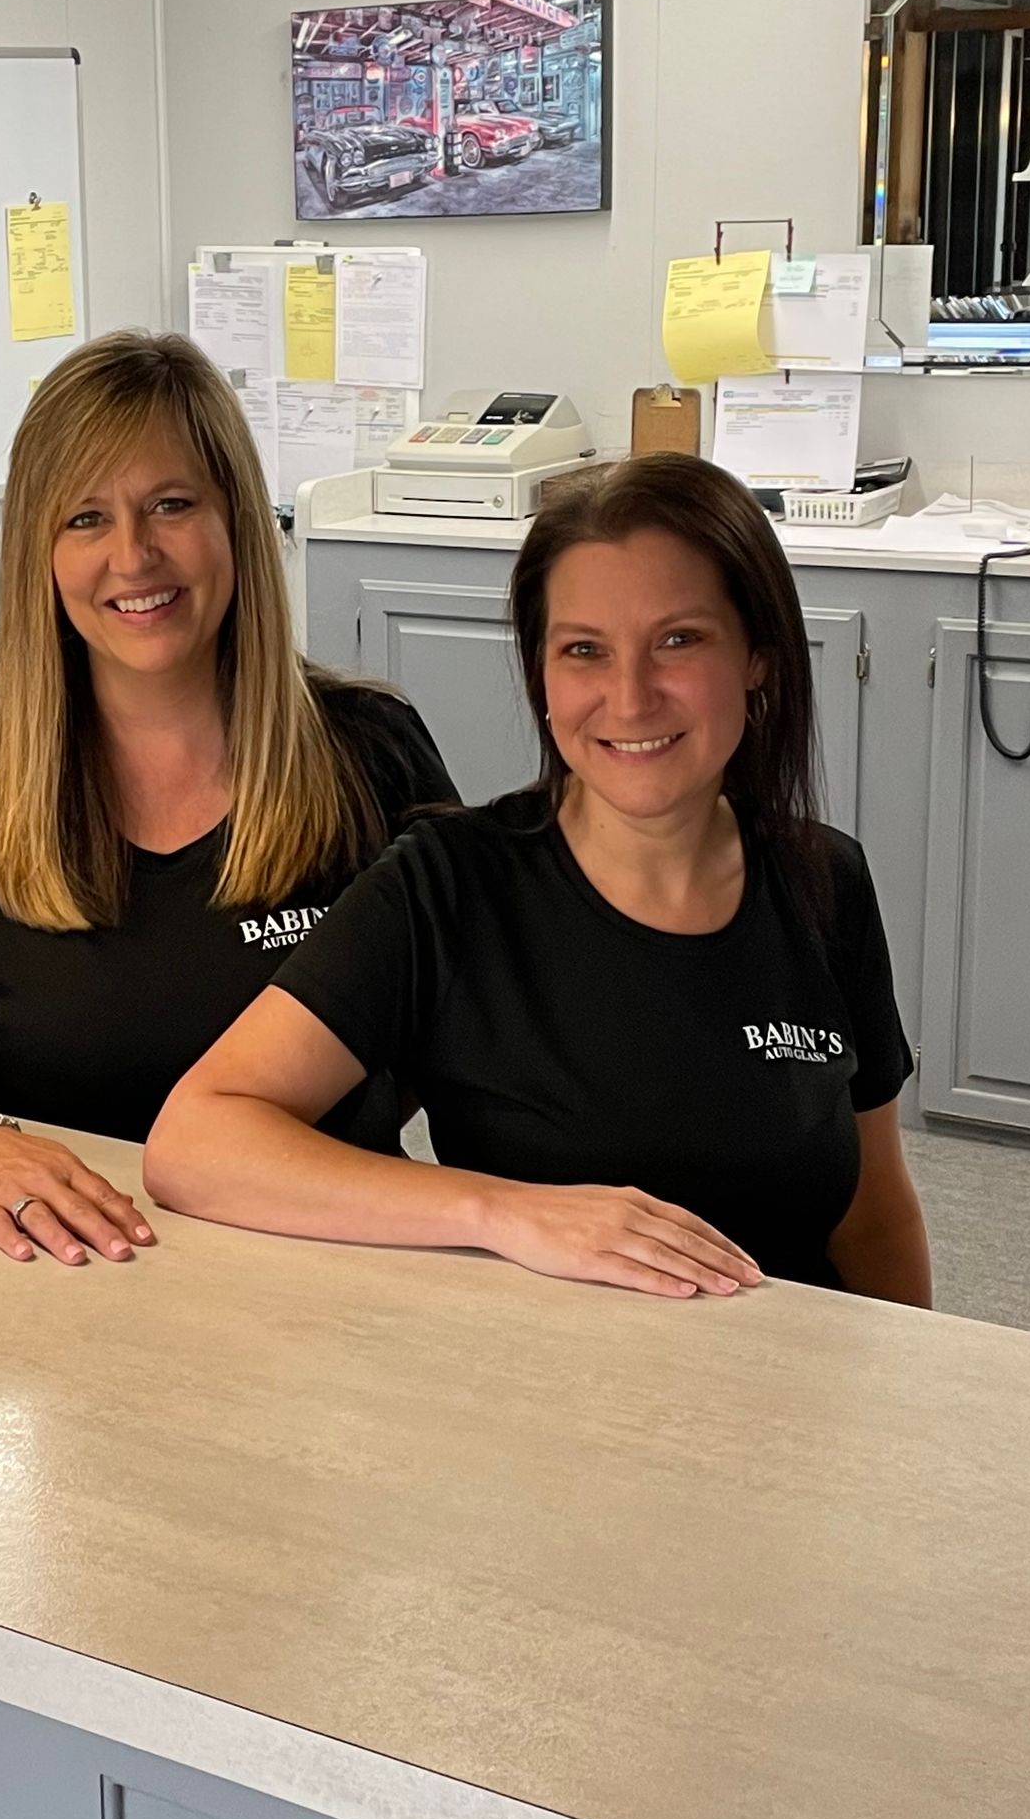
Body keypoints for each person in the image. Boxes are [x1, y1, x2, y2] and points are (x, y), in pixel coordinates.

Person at [146, 454, 931, 1305]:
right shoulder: (450, 887)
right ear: (543, 678)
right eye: (584, 651)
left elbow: (873, 1216)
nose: (629, 699)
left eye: (678, 640)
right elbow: (195, 1140)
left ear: (758, 660)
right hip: (549, 1407)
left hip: (788, 1401)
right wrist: (502, 1212)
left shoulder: (828, 881)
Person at [0, 329, 458, 1265]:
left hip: (331, 1268)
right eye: (85, 519)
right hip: (54, 1278)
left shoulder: (370, 751)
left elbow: (476, 1032)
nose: (133, 555)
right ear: (40, 553)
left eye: (171, 504)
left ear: (236, 520)